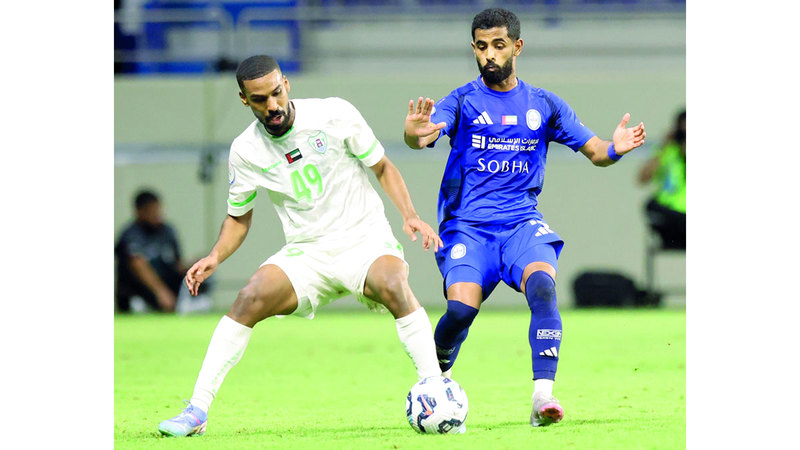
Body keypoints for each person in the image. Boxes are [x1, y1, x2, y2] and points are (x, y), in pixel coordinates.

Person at [158, 55, 445, 437]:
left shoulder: (335, 114)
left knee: (394, 285)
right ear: (245, 100)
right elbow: (239, 218)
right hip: (308, 250)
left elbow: (382, 167)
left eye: (276, 93)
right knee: (249, 297)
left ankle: (436, 390)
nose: (272, 105)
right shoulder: (245, 151)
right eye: (260, 99)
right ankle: (196, 410)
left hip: (364, 238)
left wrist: (409, 214)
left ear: (287, 84)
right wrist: (214, 256)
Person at [403, 8, 646, 427]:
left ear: (517, 46)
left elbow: (597, 152)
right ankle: (435, 377)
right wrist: (414, 130)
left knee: (543, 287)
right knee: (460, 310)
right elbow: (422, 135)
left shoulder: (544, 104)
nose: (489, 56)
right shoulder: (462, 100)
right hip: (467, 227)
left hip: (521, 224)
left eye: (498, 45)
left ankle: (542, 398)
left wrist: (616, 147)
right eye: (481, 47)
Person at [115, 189, 185, 313]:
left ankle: (191, 303)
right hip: (139, 292)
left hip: (168, 288)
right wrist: (161, 292)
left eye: (157, 209)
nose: (156, 214)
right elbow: (137, 264)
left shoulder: (167, 231)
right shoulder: (131, 234)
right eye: (151, 210)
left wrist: (196, 267)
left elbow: (177, 264)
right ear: (139, 211)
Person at [637, 109, 686, 250]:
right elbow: (642, 178)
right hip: (672, 211)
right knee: (650, 206)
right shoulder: (668, 151)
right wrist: (664, 146)